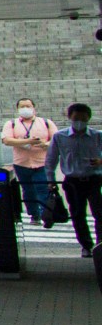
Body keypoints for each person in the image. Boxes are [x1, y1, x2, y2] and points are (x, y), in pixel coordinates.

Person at [0, 98, 60, 228]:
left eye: (28, 106)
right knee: (28, 190)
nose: (25, 108)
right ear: (18, 109)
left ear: (34, 108)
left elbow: (57, 139)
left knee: (43, 189)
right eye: (22, 106)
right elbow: (6, 140)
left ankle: (46, 215)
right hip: (22, 163)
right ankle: (34, 214)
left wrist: (46, 144)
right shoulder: (11, 124)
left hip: (42, 163)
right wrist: (27, 142)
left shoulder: (45, 123)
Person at [55, 103, 102, 264]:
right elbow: (51, 159)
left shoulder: (97, 135)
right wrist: (50, 182)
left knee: (99, 214)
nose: (80, 122)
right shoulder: (60, 136)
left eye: (83, 118)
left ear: (89, 118)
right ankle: (86, 245)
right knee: (77, 214)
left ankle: (100, 244)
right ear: (70, 117)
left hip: (94, 179)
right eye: (76, 118)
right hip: (73, 181)